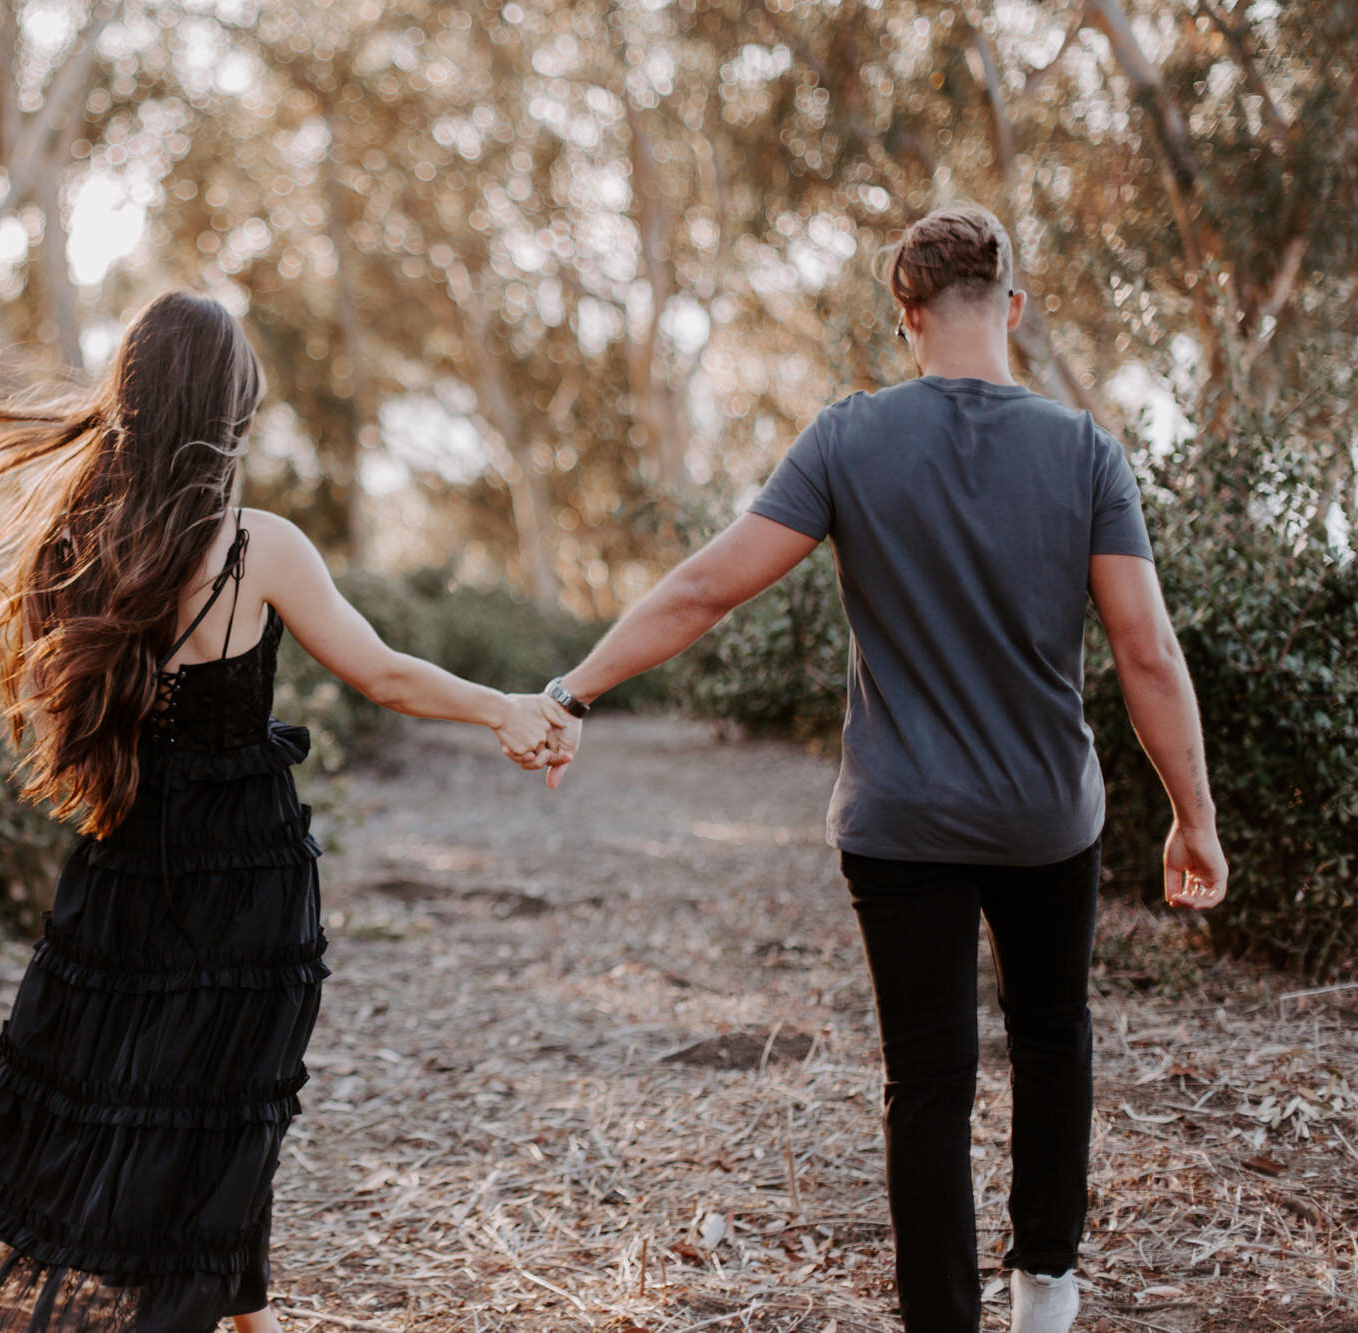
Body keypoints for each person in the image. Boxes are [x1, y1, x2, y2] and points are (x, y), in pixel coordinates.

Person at [523, 205, 1228, 1333]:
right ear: (1011, 307)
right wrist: (1192, 815)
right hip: (1047, 816)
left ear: (906, 320)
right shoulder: (1083, 450)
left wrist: (571, 689)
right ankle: (1044, 1293)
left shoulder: (847, 439)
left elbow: (705, 586)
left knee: (927, 1079)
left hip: (899, 822)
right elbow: (1144, 649)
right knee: (1051, 1038)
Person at [0, 291, 555, 1333]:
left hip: (124, 864)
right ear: (227, 407)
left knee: (106, 1093)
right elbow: (385, 674)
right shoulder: (254, 546)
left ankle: (236, 1316)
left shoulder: (76, 536)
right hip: (244, 877)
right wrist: (504, 708)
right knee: (225, 1107)